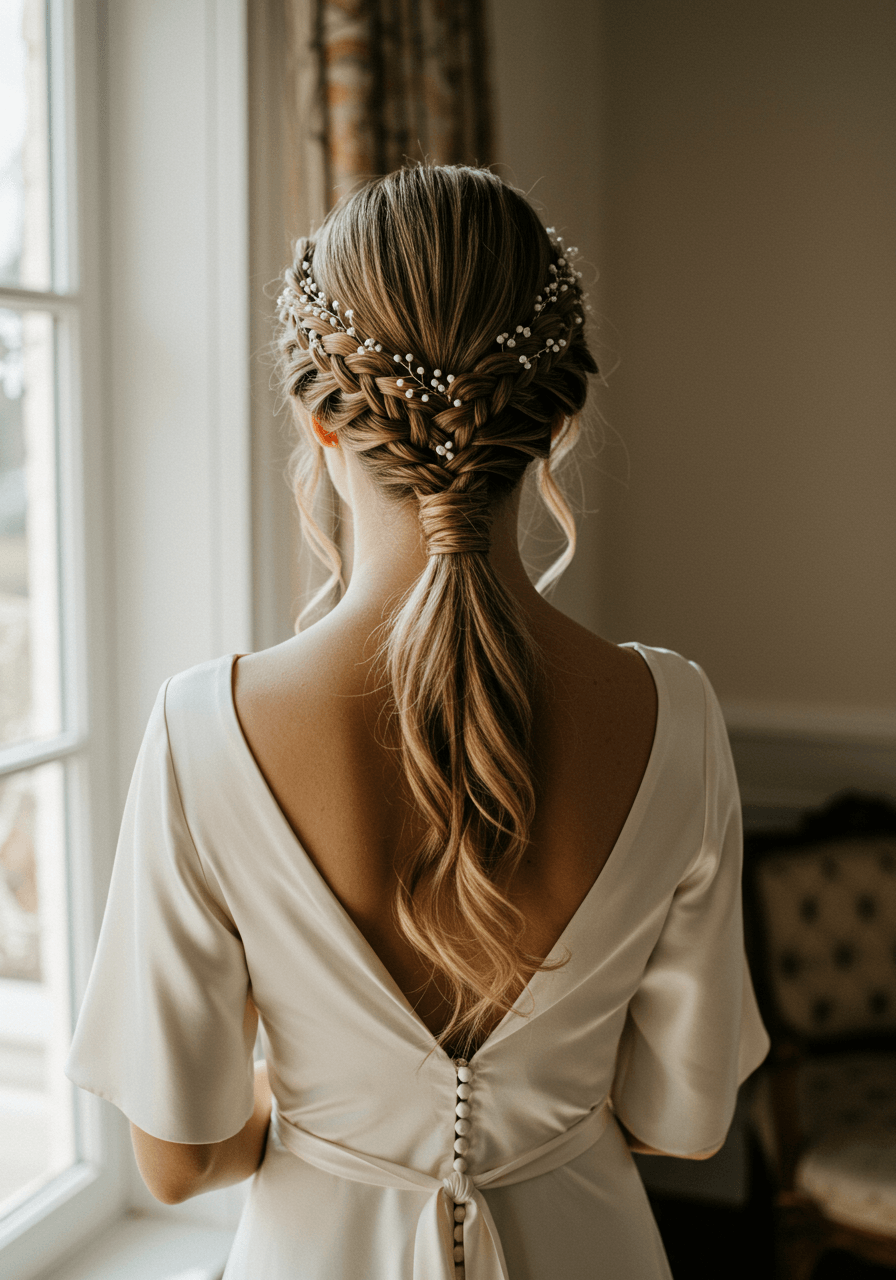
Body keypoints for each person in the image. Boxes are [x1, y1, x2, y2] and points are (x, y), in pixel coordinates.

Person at [66, 164, 769, 1279]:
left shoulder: (205, 730)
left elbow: (178, 1159)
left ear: (318, 424)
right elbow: (679, 1121)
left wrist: (323, 1102)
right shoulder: (672, 718)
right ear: (557, 421)